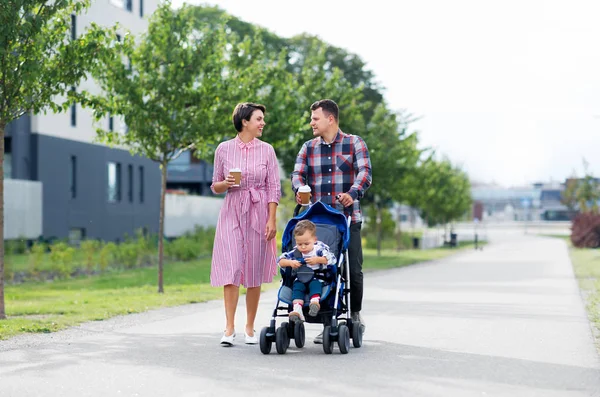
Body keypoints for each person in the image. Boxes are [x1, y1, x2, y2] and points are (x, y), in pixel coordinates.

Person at [291, 99, 372, 344]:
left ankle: (355, 313)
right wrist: (299, 188)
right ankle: (327, 321)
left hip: (347, 219)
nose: (311, 123)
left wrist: (353, 193)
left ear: (330, 119)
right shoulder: (308, 147)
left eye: (315, 118)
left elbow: (365, 172)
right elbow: (297, 174)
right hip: (317, 224)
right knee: (322, 269)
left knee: (354, 272)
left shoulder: (354, 143)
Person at [210, 102, 281, 346]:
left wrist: (272, 219)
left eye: (262, 119)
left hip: (258, 211)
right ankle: (229, 328)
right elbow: (215, 185)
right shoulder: (224, 149)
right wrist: (226, 183)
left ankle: (249, 327)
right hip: (231, 211)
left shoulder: (267, 150)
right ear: (244, 122)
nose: (263, 123)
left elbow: (273, 187)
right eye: (259, 119)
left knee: (253, 271)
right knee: (230, 269)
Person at [277, 220, 337, 322]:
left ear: (314, 240)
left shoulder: (319, 250)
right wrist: (290, 263)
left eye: (306, 243)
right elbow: (280, 261)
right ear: (296, 241)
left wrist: (318, 260)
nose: (303, 247)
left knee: (315, 285)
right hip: (300, 279)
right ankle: (297, 310)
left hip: (317, 277)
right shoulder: (295, 252)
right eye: (300, 244)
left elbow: (332, 259)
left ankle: (314, 302)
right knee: (297, 289)